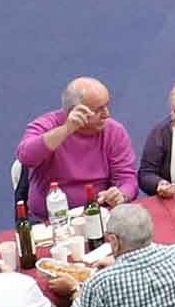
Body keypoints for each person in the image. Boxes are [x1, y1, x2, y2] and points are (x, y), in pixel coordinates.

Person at [15, 80, 141, 215]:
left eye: (106, 106)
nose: (106, 114)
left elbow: (128, 178)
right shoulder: (46, 125)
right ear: (73, 111)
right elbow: (25, 157)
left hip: (99, 212)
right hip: (52, 218)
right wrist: (67, 129)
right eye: (98, 110)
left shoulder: (114, 131)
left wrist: (121, 194)